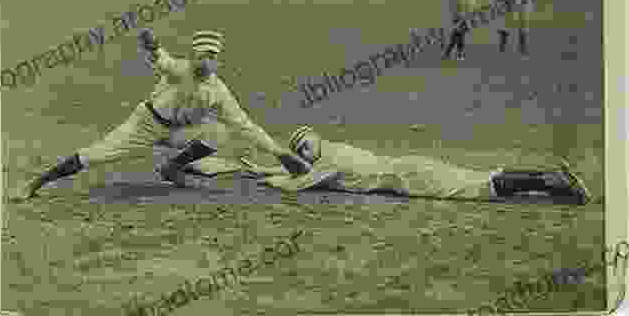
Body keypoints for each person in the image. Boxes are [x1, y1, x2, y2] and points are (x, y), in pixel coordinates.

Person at [14, 29, 312, 200]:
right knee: (97, 154)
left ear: (218, 61)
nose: (207, 60)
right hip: (145, 124)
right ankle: (36, 183)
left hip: (179, 133)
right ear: (193, 55)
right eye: (202, 54)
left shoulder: (219, 92)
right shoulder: (179, 69)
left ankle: (172, 168)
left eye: (213, 56)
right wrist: (153, 47)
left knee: (220, 132)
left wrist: (279, 153)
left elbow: (247, 126)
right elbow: (163, 61)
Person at [244, 126, 591, 205]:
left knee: (478, 187)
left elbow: (300, 184)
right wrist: (270, 170)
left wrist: (270, 179)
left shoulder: (330, 160)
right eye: (300, 150)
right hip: (407, 170)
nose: (303, 149)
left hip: (409, 177)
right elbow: (306, 174)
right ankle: (554, 181)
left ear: (317, 139)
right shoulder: (329, 153)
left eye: (304, 143)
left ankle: (555, 182)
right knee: (479, 181)